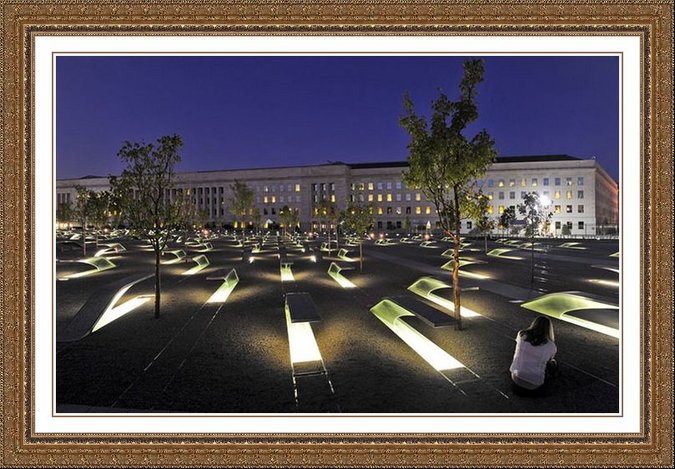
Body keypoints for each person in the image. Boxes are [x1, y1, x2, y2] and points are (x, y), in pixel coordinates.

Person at [509, 316, 558, 392]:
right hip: (534, 385)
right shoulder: (550, 346)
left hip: (516, 377)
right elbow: (549, 360)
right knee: (553, 363)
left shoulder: (521, 335)